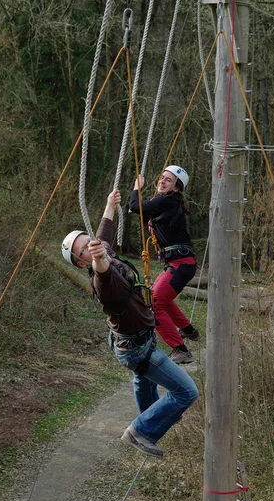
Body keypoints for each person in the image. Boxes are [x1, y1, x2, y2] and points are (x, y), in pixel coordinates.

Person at [61, 189, 199, 458]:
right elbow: (101, 267)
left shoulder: (103, 249)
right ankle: (141, 430)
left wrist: (110, 204)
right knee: (186, 391)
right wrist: (99, 257)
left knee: (144, 381)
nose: (89, 246)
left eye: (87, 240)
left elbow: (104, 232)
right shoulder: (103, 279)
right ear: (81, 263)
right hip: (136, 348)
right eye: (83, 250)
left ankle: (154, 416)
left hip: (132, 340)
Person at [129, 165, 200, 365]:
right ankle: (188, 330)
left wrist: (136, 188)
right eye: (162, 177)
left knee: (153, 305)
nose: (162, 181)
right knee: (157, 298)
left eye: (168, 180)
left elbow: (135, 206)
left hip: (181, 264)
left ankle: (180, 349)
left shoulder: (168, 201)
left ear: (176, 188)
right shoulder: (167, 202)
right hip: (179, 263)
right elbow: (141, 211)